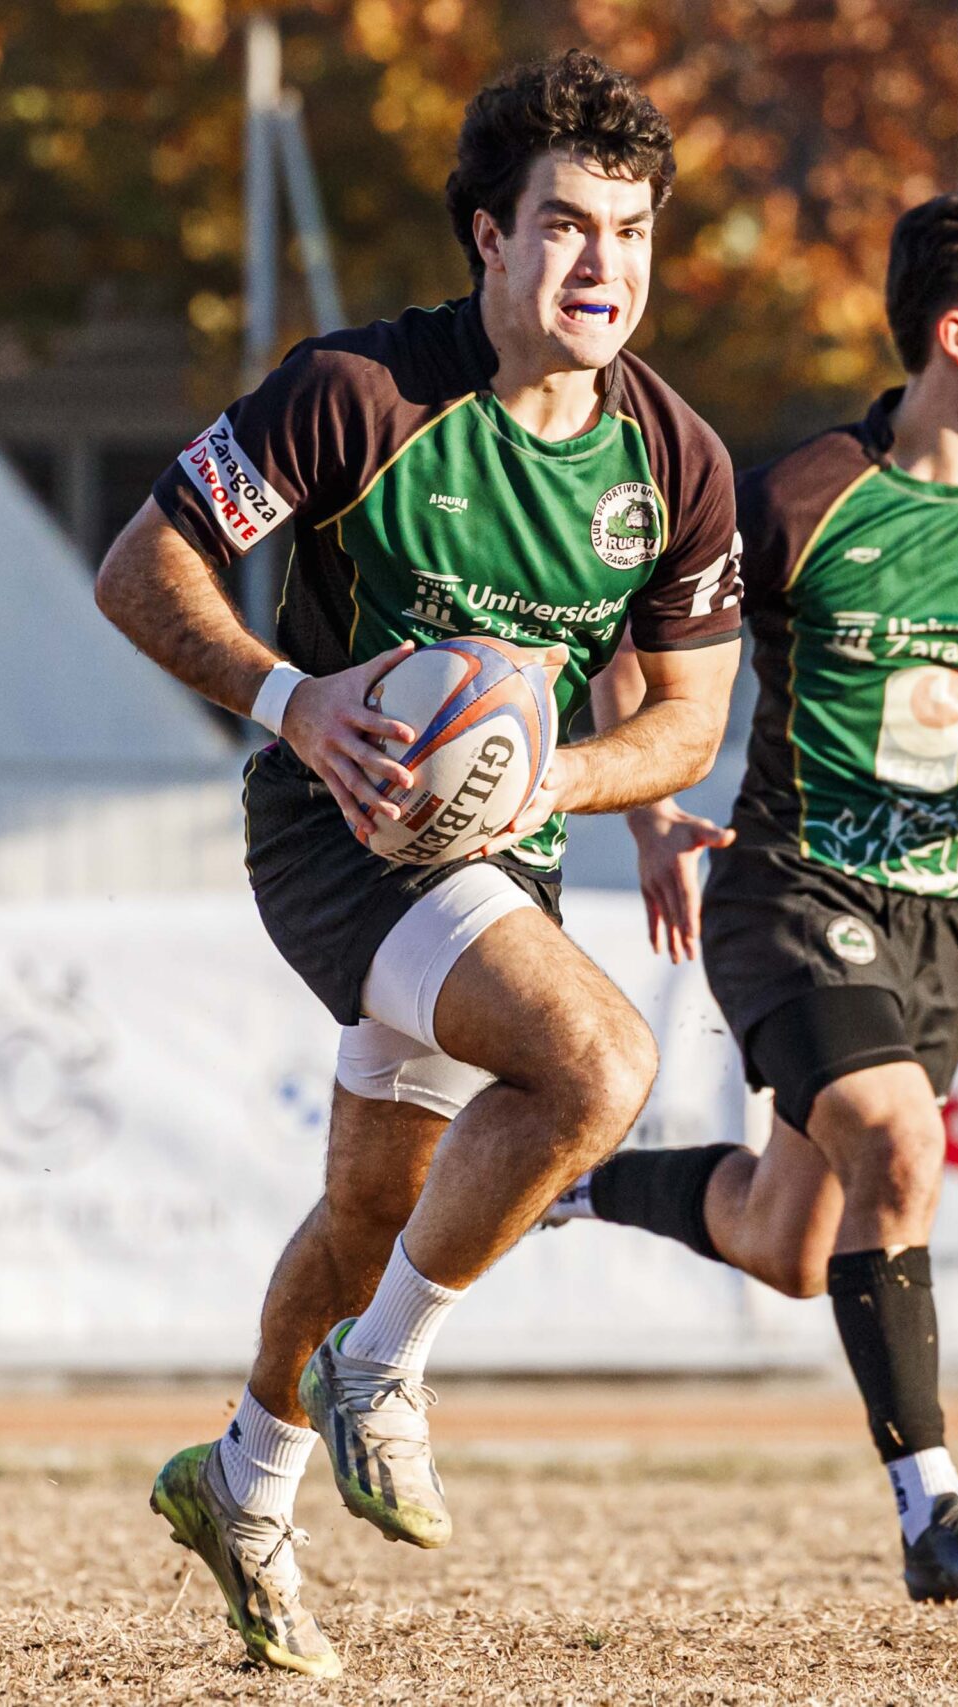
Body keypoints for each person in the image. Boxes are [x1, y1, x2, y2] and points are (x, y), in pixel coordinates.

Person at [92, 53, 741, 1677]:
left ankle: (241, 1483)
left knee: (371, 1208)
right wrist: (292, 700)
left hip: (489, 866)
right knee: (602, 1064)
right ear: (485, 237)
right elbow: (138, 564)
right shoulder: (356, 394)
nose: (607, 269)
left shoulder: (677, 463)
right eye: (570, 229)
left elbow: (686, 726)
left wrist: (548, 778)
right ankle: (384, 1372)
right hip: (330, 836)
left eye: (635, 233)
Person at [555, 180, 958, 1603]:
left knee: (791, 1242)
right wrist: (649, 808)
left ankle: (563, 1179)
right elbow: (639, 638)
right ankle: (934, 1519)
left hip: (947, 921)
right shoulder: (798, 499)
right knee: (896, 1140)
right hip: (790, 885)